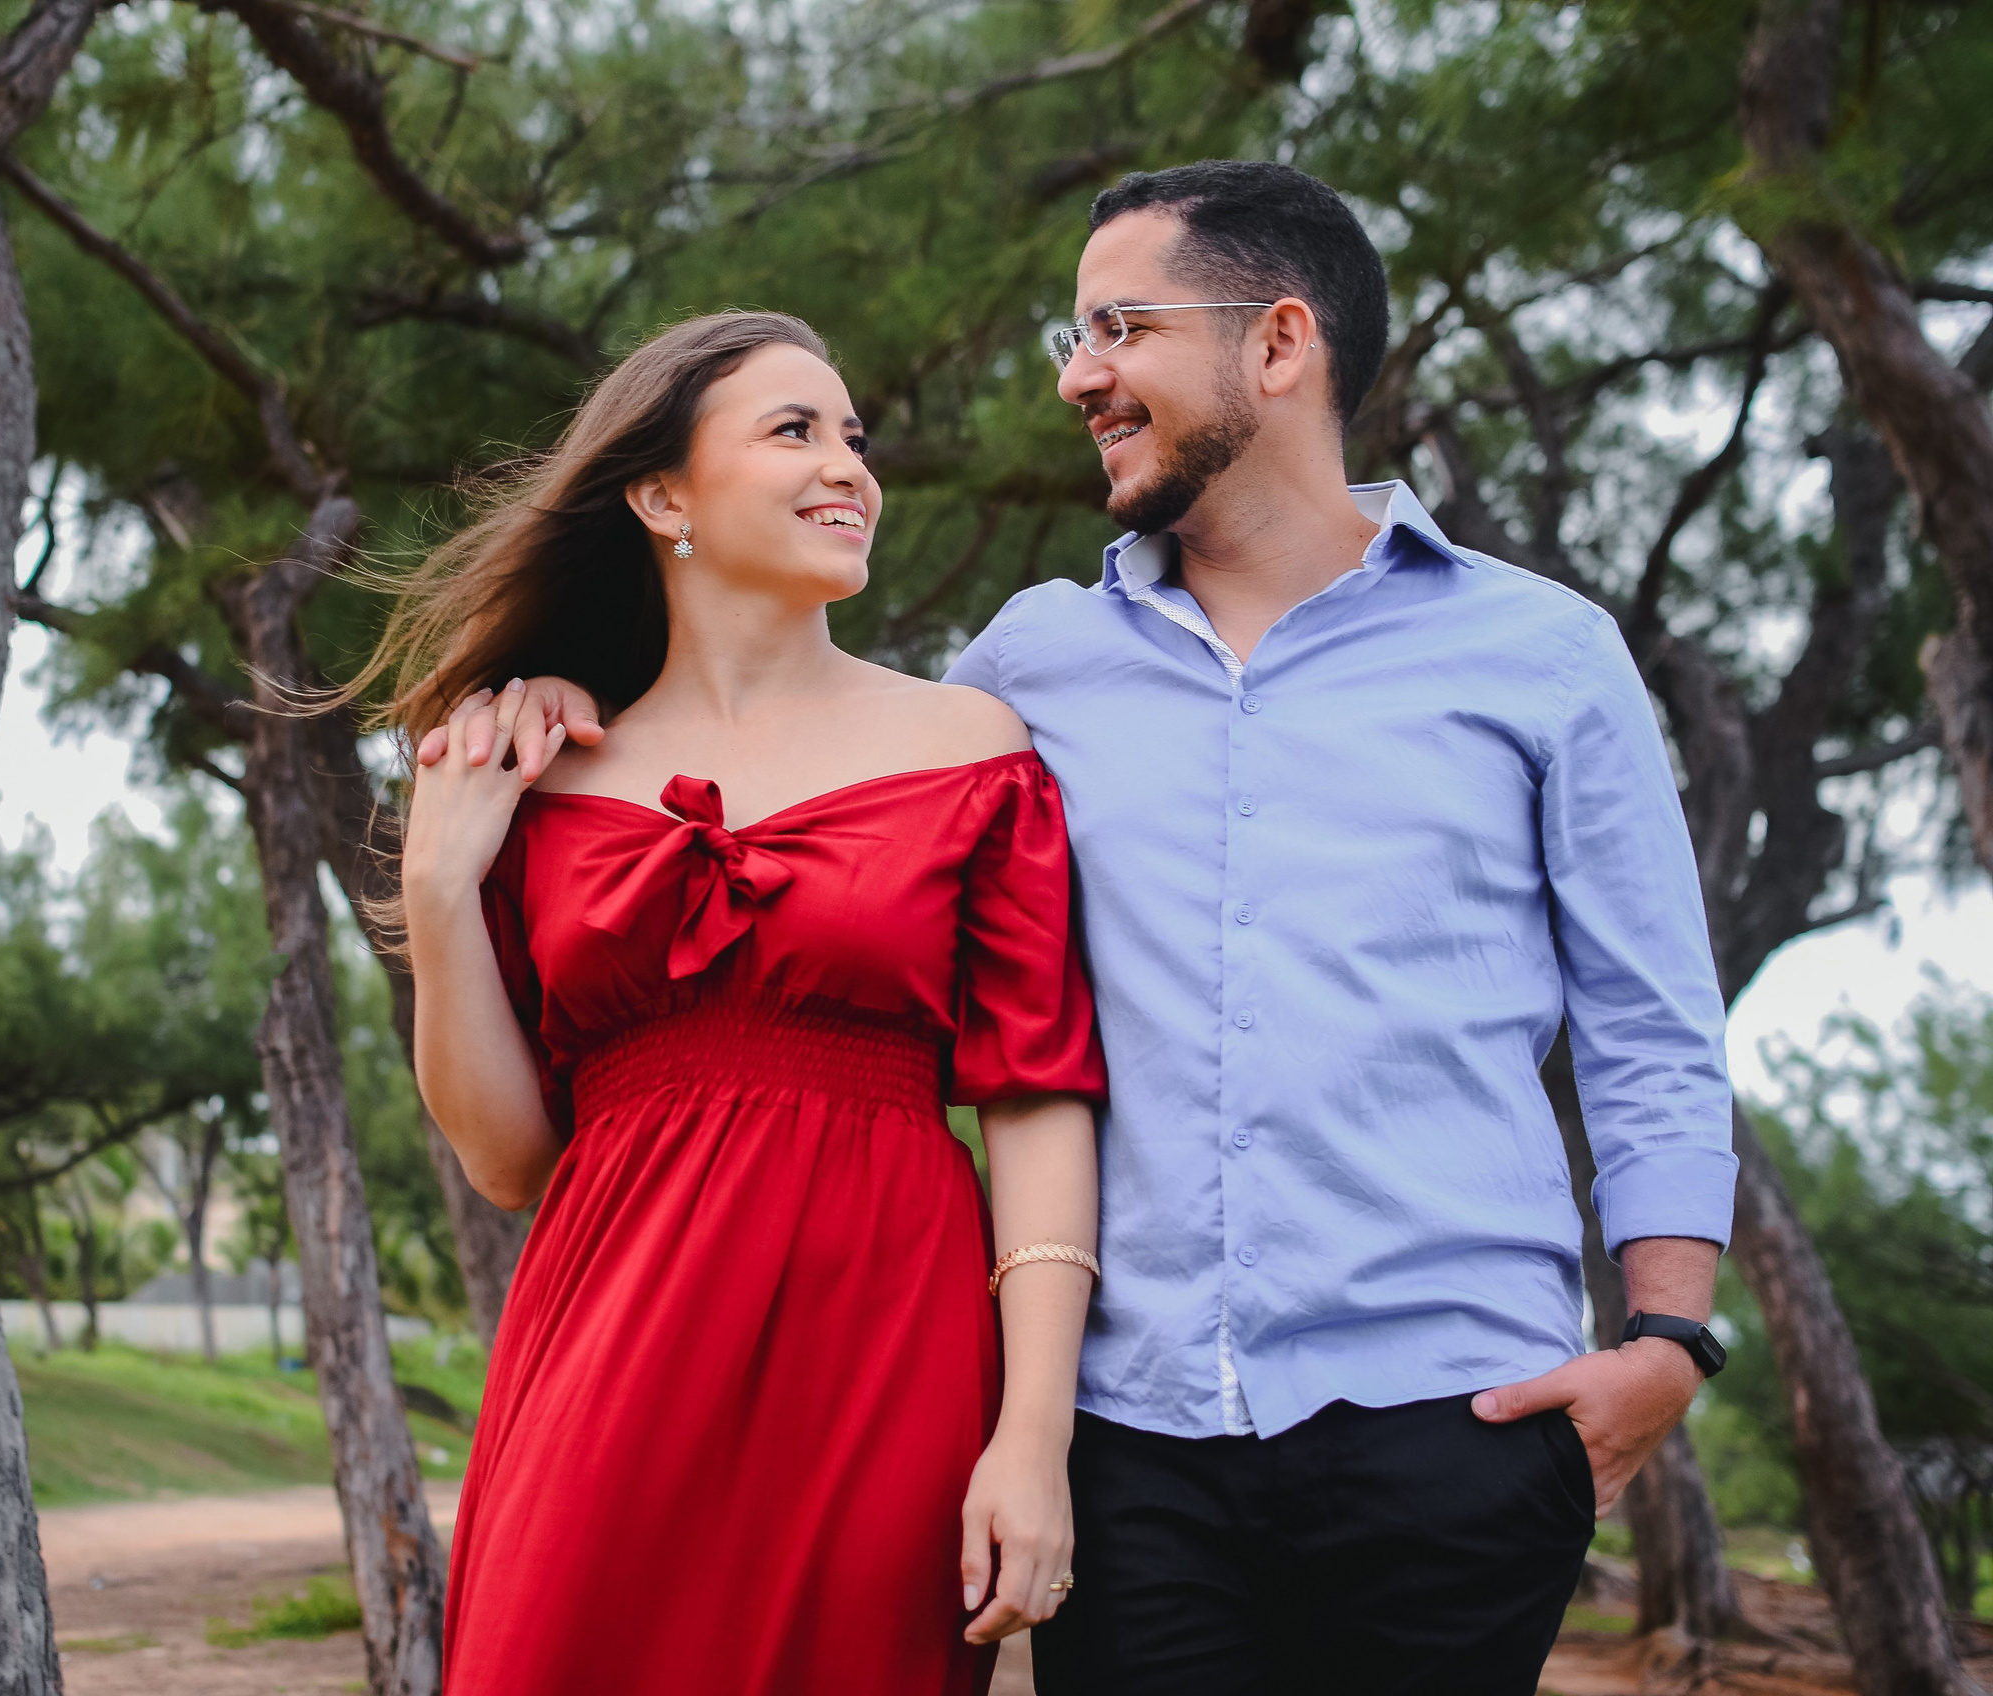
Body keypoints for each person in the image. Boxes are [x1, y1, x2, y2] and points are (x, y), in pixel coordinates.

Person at [466, 163, 1739, 1693]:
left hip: (1454, 1420)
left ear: (1278, 344)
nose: (1079, 377)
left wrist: (1671, 1341)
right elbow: (789, 768)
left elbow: (1649, 1026)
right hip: (1131, 1443)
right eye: (1070, 337)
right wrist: (557, 697)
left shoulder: (1545, 657)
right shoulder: (1024, 672)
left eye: (1118, 328)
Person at [385, 311, 1110, 1696]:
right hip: (606, 1347)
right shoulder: (531, 771)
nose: (850, 467)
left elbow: (1034, 1101)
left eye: (854, 436)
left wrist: (1034, 1433)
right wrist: (438, 884)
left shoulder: (972, 749)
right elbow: (507, 1157)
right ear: (663, 497)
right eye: (796, 431)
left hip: (886, 1345)